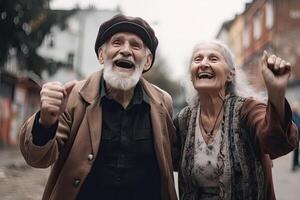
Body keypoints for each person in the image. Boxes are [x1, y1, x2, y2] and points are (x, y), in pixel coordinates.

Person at [19, 14, 178, 200]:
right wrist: (45, 122)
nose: (126, 51)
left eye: (136, 45)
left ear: (148, 61)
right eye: (117, 43)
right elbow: (36, 158)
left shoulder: (162, 102)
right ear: (102, 55)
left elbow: (175, 158)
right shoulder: (74, 97)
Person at [172, 41, 299, 200]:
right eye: (197, 59)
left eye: (213, 59)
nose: (204, 64)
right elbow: (161, 158)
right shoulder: (184, 120)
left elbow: (276, 143)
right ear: (191, 76)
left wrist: (276, 93)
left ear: (230, 74)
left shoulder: (247, 110)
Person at [291, 101, 300, 171]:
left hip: (298, 135)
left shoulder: (298, 115)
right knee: (296, 150)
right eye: (295, 107)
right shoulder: (292, 115)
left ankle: (297, 163)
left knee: (297, 151)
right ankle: (294, 165)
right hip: (295, 136)